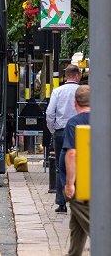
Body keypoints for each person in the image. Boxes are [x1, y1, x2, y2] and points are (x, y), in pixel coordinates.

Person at [46, 64, 83, 212]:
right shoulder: (83, 91)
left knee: (61, 167)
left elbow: (49, 113)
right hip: (81, 131)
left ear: (66, 76)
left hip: (61, 132)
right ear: (77, 75)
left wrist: (53, 129)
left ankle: (61, 203)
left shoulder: (58, 91)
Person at [62, 85, 90, 256]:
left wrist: (69, 184)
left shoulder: (74, 123)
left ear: (75, 103)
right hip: (96, 179)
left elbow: (72, 153)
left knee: (92, 224)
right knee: (77, 227)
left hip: (81, 184)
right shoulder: (102, 119)